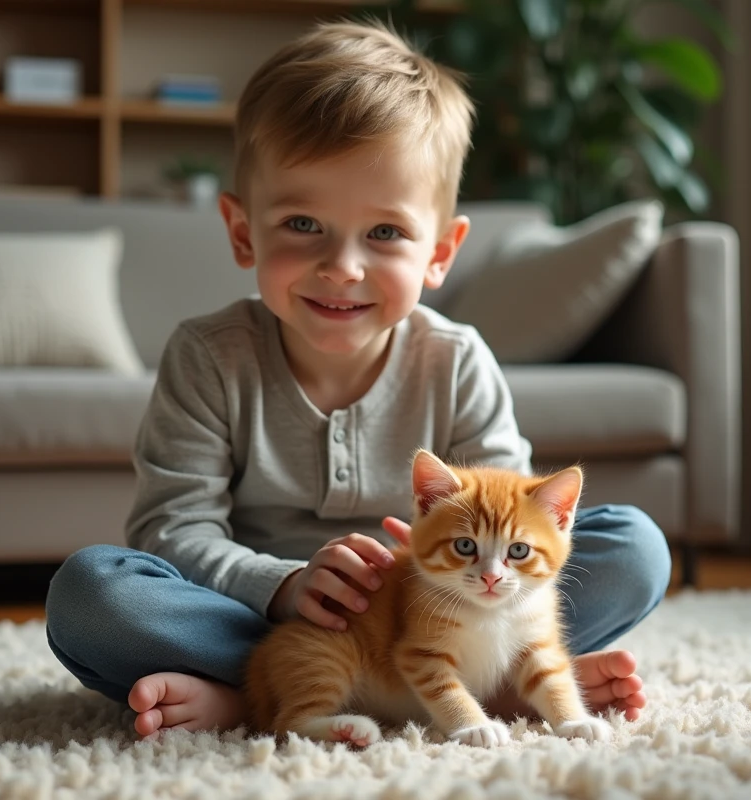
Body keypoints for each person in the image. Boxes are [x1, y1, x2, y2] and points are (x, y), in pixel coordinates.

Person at [44, 20, 671, 740]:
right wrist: (283, 586)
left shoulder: (458, 359)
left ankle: (266, 698)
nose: (342, 266)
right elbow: (171, 530)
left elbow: (516, 529)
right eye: (303, 223)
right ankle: (290, 685)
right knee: (93, 592)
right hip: (265, 618)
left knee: (633, 546)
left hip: (444, 615)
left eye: (383, 234)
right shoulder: (208, 356)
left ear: (439, 253)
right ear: (244, 231)